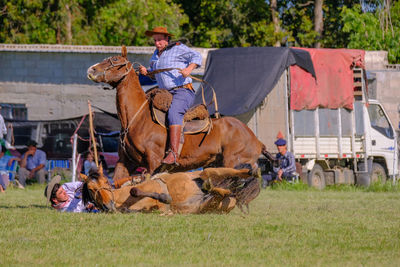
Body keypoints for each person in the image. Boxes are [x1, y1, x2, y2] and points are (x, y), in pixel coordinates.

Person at [139, 26, 202, 165]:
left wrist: (188, 69)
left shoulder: (178, 48)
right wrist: (146, 72)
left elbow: (197, 56)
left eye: (160, 40)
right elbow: (155, 78)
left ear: (167, 39)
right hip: (165, 93)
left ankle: (173, 153)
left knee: (174, 113)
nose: (157, 43)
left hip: (183, 91)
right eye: (155, 40)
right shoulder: (155, 56)